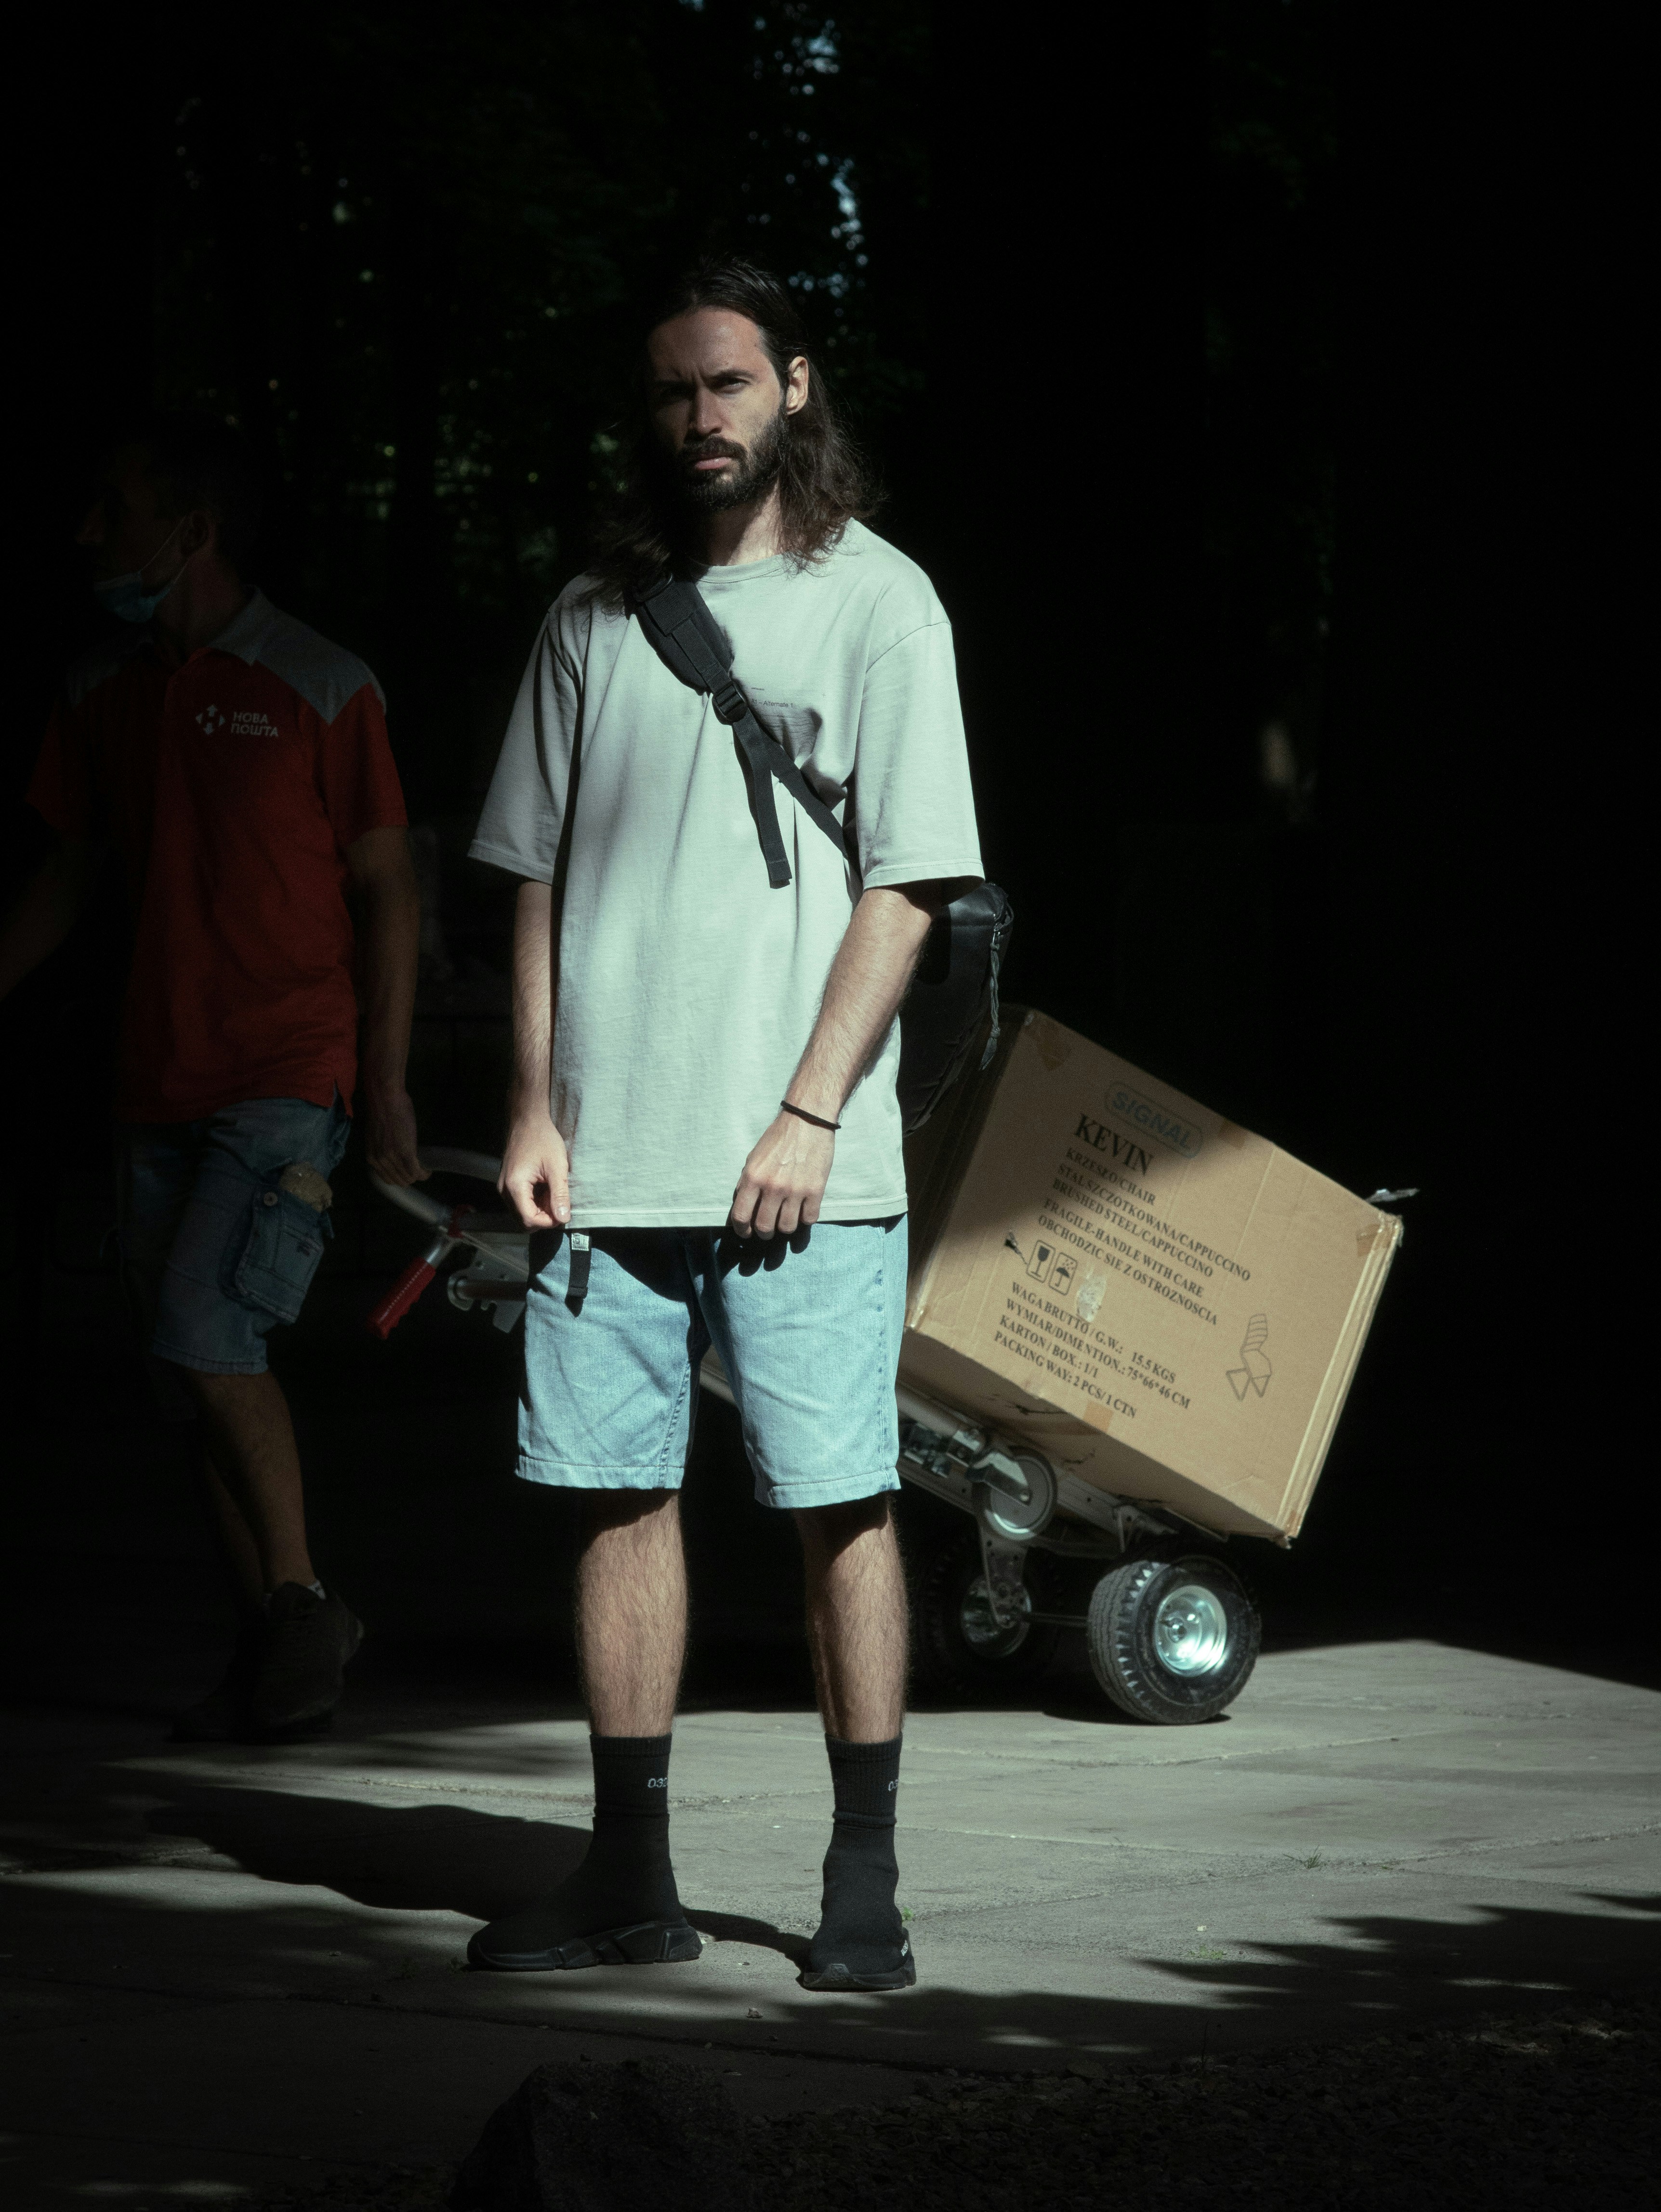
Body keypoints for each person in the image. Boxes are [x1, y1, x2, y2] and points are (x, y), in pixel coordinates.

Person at [466, 259, 984, 1991]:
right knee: (615, 1496)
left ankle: (867, 1879)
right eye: (675, 392)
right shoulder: (589, 615)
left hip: (802, 1166)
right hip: (607, 1156)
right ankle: (629, 1876)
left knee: (839, 1502)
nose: (700, 419)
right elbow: (528, 877)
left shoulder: (880, 605)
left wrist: (810, 1112)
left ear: (796, 390)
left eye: (730, 386)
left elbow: (912, 886)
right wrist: (532, 1107)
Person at [0, 414, 425, 1739]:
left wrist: (390, 1083)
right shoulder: (99, 688)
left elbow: (389, 889)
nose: (86, 535)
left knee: (207, 1333)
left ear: (192, 533)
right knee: (175, 1370)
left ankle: (304, 1605)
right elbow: (69, 871)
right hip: (154, 1081)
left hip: (286, 1076)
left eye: (113, 510)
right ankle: (266, 1644)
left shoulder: (323, 682)